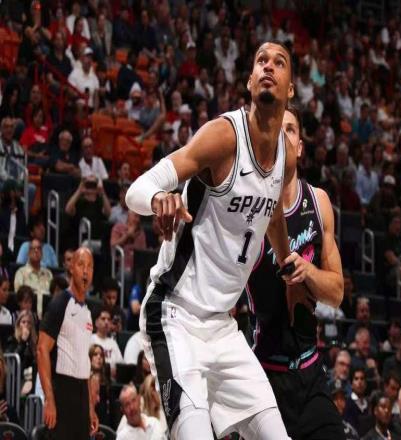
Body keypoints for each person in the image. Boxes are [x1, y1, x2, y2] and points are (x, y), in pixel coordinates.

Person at [126, 41, 301, 439]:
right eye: (261, 61)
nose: (268, 66)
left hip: (223, 327)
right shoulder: (224, 137)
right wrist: (159, 199)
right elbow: (137, 189)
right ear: (250, 81)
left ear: (290, 88)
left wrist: (285, 258)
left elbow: (273, 211)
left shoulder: (286, 156)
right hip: (174, 314)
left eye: (279, 62)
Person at [245, 106, 344, 439]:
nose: (283, 135)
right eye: (277, 129)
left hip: (310, 369)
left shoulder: (319, 202)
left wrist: (308, 272)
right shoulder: (250, 211)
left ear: (300, 146)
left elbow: (337, 293)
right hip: (265, 374)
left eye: (290, 129)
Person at [37, 247, 98, 439]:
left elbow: (84, 362)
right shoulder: (60, 302)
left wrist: (90, 407)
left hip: (81, 396)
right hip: (61, 391)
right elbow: (41, 349)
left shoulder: (88, 312)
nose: (85, 271)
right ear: (71, 268)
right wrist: (49, 400)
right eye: (81, 265)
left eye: (90, 266)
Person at [14, 238, 53, 317]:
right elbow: (19, 298)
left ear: (42, 253)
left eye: (39, 248)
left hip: (47, 316)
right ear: (28, 253)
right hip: (27, 317)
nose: (36, 251)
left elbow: (53, 297)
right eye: (33, 248)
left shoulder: (48, 274)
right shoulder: (21, 273)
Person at [91, 307, 124, 377]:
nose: (106, 322)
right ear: (96, 323)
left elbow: (120, 364)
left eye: (109, 319)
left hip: (111, 378)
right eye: (103, 319)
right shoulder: (90, 339)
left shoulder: (113, 342)